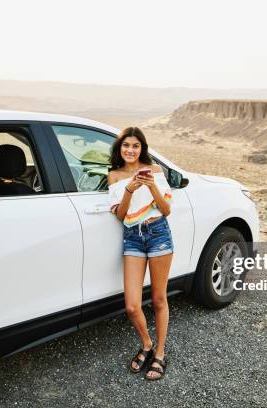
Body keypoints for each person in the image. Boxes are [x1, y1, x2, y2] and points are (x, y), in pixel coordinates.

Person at [107, 126, 173, 381]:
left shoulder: (154, 170)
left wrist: (151, 185)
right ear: (120, 148)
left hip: (158, 233)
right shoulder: (114, 176)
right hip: (133, 237)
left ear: (142, 148)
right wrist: (130, 189)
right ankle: (146, 344)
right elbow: (122, 215)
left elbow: (166, 209)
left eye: (135, 146)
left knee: (158, 299)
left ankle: (159, 353)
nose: (130, 150)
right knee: (132, 306)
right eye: (126, 146)